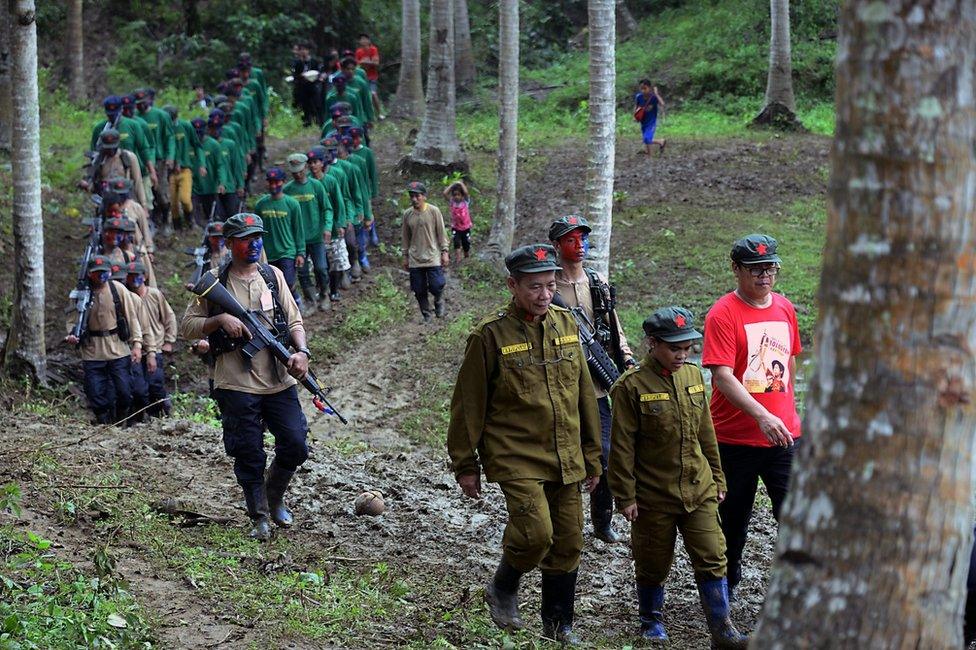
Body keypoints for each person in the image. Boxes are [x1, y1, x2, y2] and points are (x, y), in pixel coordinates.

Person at [447, 244, 602, 644]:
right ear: (512, 285)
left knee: (568, 541)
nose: (544, 294)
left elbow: (585, 392)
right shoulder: (490, 335)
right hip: (515, 454)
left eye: (550, 285)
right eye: (534, 287)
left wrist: (593, 453)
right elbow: (468, 404)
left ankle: (558, 626)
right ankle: (504, 584)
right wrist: (466, 464)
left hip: (566, 453)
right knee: (535, 534)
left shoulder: (567, 325)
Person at [608, 307, 747, 648]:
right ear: (652, 344)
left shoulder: (694, 377)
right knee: (653, 560)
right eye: (675, 348)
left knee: (713, 554)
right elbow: (621, 447)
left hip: (698, 487)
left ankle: (722, 629)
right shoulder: (631, 387)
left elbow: (706, 432)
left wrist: (718, 477)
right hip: (654, 494)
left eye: (688, 347)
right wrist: (625, 497)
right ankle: (650, 621)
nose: (682, 354)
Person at [179, 213, 311, 541]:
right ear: (229, 244)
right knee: (248, 450)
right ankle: (260, 516)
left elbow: (295, 321)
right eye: (245, 239)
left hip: (279, 378)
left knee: (295, 443)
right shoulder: (213, 281)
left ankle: (274, 495)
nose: (254, 245)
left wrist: (302, 353)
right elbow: (187, 327)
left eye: (258, 238)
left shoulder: (272, 276)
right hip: (235, 381)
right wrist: (219, 319)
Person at [701, 234, 802, 600]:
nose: (764, 275)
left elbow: (789, 360)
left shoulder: (785, 308)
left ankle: (796, 590)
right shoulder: (723, 313)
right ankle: (725, 592)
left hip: (785, 437)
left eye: (770, 268)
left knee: (795, 515)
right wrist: (761, 415)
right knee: (733, 522)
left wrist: (786, 413)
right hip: (733, 440)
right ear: (736, 270)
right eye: (755, 269)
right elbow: (723, 375)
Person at [549, 215, 635, 544]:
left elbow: (613, 328)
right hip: (560, 386)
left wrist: (625, 356)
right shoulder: (547, 285)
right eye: (571, 240)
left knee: (608, 455)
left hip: (597, 386)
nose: (579, 246)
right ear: (557, 245)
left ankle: (601, 521)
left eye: (582, 239)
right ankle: (560, 519)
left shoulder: (596, 282)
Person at [65, 255, 144, 425]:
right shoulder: (80, 292)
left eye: (104, 272)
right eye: (97, 272)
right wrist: (72, 334)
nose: (101, 276)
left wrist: (137, 344)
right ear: (90, 274)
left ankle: (122, 419)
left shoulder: (118, 289)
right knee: (95, 392)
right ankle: (104, 422)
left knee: (124, 390)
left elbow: (132, 318)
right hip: (92, 351)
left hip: (118, 349)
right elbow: (72, 319)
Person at [125, 260, 175, 418]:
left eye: (137, 276)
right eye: (131, 276)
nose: (134, 280)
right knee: (138, 387)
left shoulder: (154, 294)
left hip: (156, 347)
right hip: (135, 349)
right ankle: (139, 417)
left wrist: (169, 340)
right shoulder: (126, 297)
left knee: (155, 384)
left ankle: (162, 415)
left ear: (145, 276)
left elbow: (169, 317)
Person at [283, 153, 332, 313]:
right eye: (294, 171)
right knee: (303, 273)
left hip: (316, 236)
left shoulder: (316, 186)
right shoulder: (288, 190)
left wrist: (327, 227)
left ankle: (325, 294)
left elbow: (327, 208)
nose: (298, 174)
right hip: (298, 240)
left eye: (300, 170)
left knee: (321, 268)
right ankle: (311, 300)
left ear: (305, 167)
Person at [254, 167, 306, 304]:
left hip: (287, 251)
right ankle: (280, 310)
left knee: (288, 282)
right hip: (268, 253)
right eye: (270, 182)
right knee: (270, 284)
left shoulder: (292, 204)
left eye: (276, 182)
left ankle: (296, 301)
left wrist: (301, 252)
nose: (273, 186)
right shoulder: (260, 205)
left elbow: (298, 230)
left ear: (283, 182)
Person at [306, 146, 350, 303]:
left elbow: (338, 205)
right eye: (310, 162)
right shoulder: (307, 183)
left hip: (332, 229)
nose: (313, 165)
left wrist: (340, 224)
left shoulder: (330, 181)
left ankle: (334, 290)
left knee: (335, 261)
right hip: (314, 231)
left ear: (322, 163)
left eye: (315, 162)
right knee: (319, 264)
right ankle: (321, 289)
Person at [401, 181, 449, 323]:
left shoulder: (434, 211)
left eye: (417, 196)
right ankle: (426, 314)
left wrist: (444, 251)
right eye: (412, 196)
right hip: (415, 258)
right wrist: (405, 256)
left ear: (424, 197)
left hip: (432, 255)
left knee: (437, 284)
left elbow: (441, 232)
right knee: (418, 289)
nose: (414, 199)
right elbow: (405, 237)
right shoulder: (407, 214)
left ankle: (439, 300)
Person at [134, 88, 175, 234]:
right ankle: (150, 222)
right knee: (145, 193)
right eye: (137, 103)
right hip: (142, 160)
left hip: (160, 160)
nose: (140, 106)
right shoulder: (135, 117)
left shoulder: (161, 115)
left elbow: (170, 137)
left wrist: (170, 156)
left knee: (161, 192)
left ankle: (166, 221)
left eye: (142, 102)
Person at [78, 128, 148, 209]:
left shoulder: (128, 157)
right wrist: (86, 185)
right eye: (108, 148)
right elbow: (92, 181)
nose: (110, 151)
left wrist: (144, 205)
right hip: (105, 199)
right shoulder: (98, 160)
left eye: (113, 148)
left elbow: (138, 181)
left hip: (125, 198)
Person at [165, 105, 204, 230]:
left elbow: (197, 145)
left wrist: (202, 164)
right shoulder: (165, 129)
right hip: (170, 172)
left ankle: (190, 220)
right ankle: (177, 226)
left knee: (185, 199)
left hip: (185, 169)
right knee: (173, 203)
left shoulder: (186, 126)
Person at [355, 32, 384, 119]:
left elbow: (376, 63)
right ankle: (364, 115)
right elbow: (357, 65)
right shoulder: (358, 51)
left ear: (369, 40)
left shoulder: (373, 49)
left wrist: (365, 61)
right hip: (361, 78)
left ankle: (379, 114)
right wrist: (367, 62)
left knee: (373, 94)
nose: (363, 41)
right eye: (361, 39)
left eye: (365, 39)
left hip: (372, 77)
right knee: (361, 96)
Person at [634, 79, 666, 156]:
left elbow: (662, 104)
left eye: (645, 88)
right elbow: (636, 106)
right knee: (646, 138)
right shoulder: (639, 97)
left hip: (651, 121)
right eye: (641, 88)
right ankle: (650, 153)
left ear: (649, 88)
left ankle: (660, 142)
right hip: (643, 121)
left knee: (647, 138)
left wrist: (656, 94)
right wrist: (635, 116)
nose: (643, 91)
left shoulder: (654, 97)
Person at [443, 181, 472, 264]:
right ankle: (458, 260)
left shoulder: (465, 202)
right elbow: (445, 193)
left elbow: (466, 192)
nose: (456, 197)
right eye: (454, 195)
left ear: (462, 196)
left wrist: (460, 183)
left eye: (458, 195)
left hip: (466, 228)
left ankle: (466, 256)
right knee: (456, 242)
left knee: (466, 244)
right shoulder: (452, 202)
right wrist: (452, 185)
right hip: (456, 227)